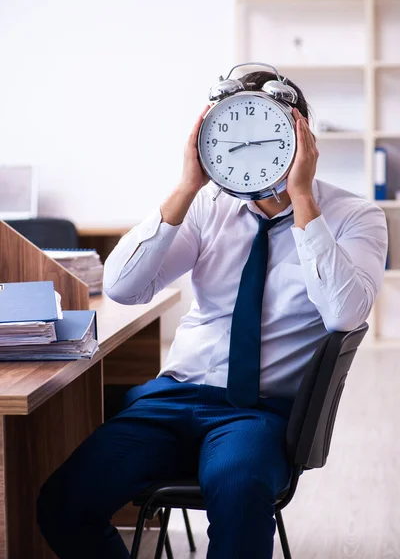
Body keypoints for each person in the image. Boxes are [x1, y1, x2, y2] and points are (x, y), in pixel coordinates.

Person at [37, 71, 388, 559]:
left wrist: (303, 197)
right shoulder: (208, 207)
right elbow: (122, 287)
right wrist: (186, 187)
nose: (251, 152)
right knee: (62, 502)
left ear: (300, 135)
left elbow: (345, 315)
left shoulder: (356, 217)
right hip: (173, 399)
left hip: (256, 413)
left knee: (240, 487)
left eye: (267, 136)